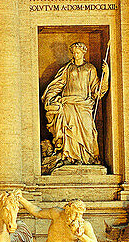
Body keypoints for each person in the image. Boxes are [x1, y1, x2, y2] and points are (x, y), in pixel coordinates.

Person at [41, 41, 109, 169]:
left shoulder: (90, 69)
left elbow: (97, 90)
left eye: (78, 53)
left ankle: (88, 158)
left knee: (88, 130)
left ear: (83, 53)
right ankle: (70, 157)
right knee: (69, 131)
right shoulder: (67, 69)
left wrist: (106, 74)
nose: (76, 55)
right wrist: (50, 97)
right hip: (68, 104)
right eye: (74, 53)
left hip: (84, 105)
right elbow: (58, 84)